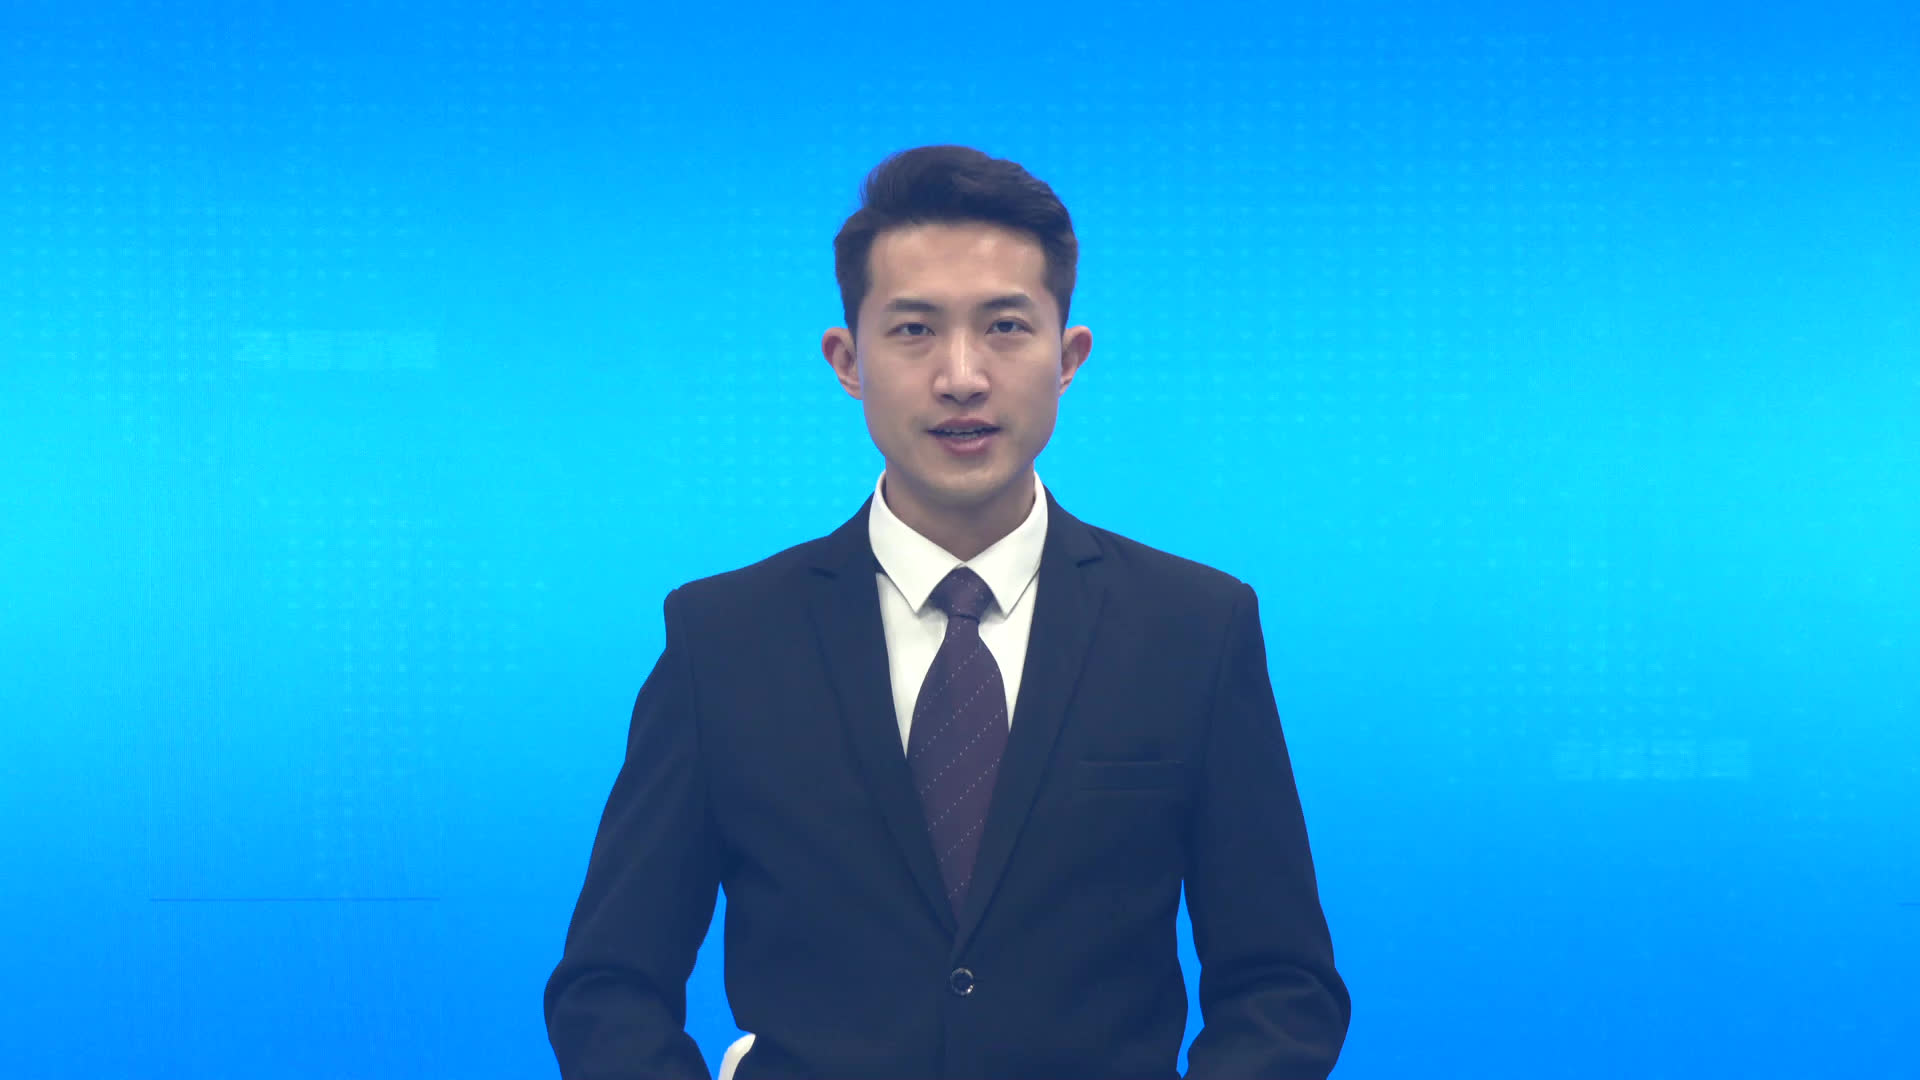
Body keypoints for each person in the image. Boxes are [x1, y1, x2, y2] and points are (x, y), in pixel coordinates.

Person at [544, 144, 1351, 1079]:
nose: (961, 375)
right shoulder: (724, 639)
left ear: (1068, 357)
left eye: (1005, 327)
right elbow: (609, 987)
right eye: (914, 330)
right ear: (847, 360)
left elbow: (1281, 988)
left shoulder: (1194, 628)